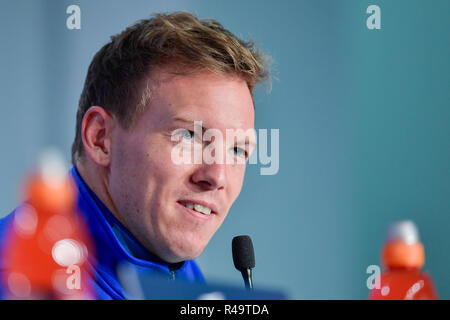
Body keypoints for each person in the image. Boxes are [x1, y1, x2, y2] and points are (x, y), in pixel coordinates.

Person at [0, 11, 269, 299]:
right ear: (101, 138)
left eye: (237, 150)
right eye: (188, 136)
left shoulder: (176, 270)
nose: (217, 175)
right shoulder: (21, 278)